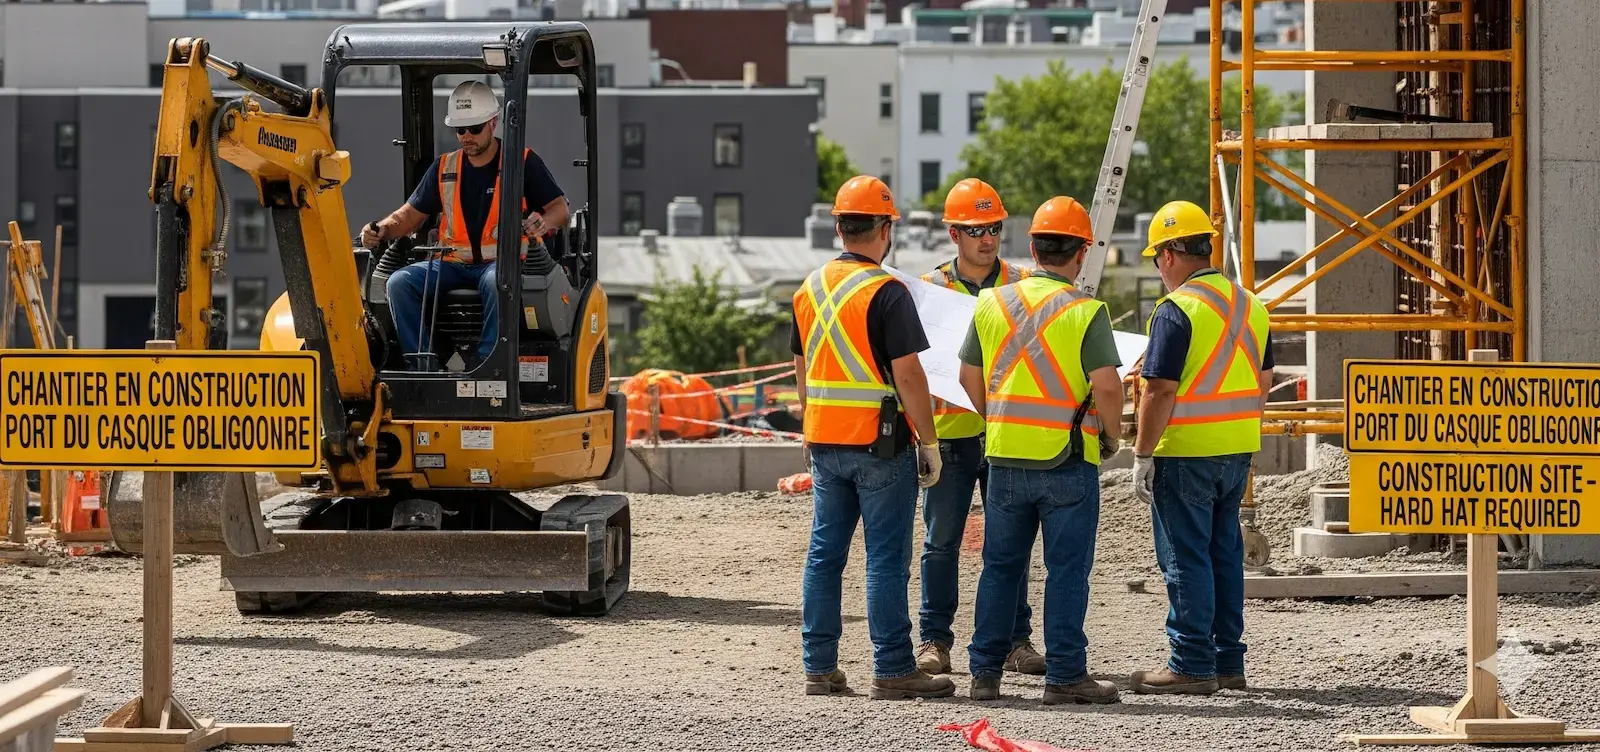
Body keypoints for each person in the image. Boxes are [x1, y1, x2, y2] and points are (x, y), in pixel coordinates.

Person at [792, 175, 953, 701]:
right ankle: (892, 668)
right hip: (879, 445)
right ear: (884, 229)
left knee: (824, 554)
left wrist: (809, 427)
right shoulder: (887, 291)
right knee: (885, 558)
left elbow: (803, 367)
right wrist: (927, 442)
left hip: (825, 441)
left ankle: (819, 667)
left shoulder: (808, 288)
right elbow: (908, 375)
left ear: (840, 226)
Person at [958, 196, 1124, 705]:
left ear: (1031, 247)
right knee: (1067, 570)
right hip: (1068, 460)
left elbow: (967, 376)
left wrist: (1001, 417)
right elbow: (1109, 386)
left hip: (1005, 458)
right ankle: (1066, 677)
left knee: (1000, 567)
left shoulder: (992, 303)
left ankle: (985, 675)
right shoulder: (1086, 311)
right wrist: (1112, 436)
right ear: (1082, 253)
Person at [1129, 200, 1273, 695]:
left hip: (1186, 451)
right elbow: (1264, 378)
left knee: (1185, 557)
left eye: (1156, 258)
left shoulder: (1177, 310)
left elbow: (1159, 390)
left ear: (1169, 254)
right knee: (1223, 553)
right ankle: (1227, 661)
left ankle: (1190, 663)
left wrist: (1143, 454)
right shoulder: (1250, 304)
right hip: (1236, 451)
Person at [913, 178, 1043, 678]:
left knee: (1009, 542)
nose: (987, 239)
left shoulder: (1022, 284)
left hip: (1007, 431)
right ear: (953, 234)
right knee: (941, 540)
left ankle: (1016, 640)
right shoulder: (931, 290)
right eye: (975, 230)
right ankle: (934, 641)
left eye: (993, 228)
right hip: (950, 432)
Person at [361, 80, 569, 368]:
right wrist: (380, 230)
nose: (466, 136)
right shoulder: (445, 167)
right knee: (398, 283)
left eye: (474, 129)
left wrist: (543, 222)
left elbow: (560, 210)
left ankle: (486, 363)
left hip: (501, 263)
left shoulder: (522, 163)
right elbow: (407, 217)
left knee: (497, 280)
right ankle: (423, 365)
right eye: (460, 130)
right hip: (454, 264)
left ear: (494, 123)